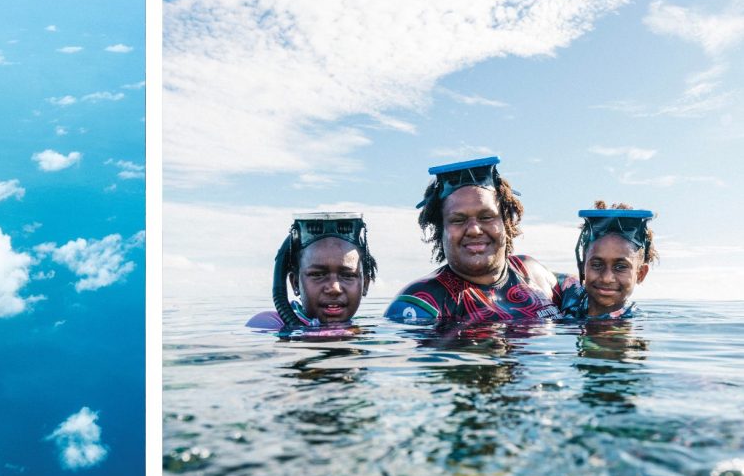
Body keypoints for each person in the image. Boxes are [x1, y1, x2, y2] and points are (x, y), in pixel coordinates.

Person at [385, 156, 562, 324]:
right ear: (441, 230)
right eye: (458, 220)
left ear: (506, 223)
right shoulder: (421, 301)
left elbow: (585, 293)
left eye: (486, 217)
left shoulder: (531, 271)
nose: (474, 230)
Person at [247, 212, 378, 331]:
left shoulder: (366, 329)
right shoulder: (269, 323)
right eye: (317, 275)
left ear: (365, 284)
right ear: (295, 283)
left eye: (348, 275)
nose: (334, 288)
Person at [557, 202, 656, 319]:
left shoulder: (632, 321)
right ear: (583, 265)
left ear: (640, 274)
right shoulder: (569, 290)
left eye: (620, 267)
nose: (606, 278)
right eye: (597, 265)